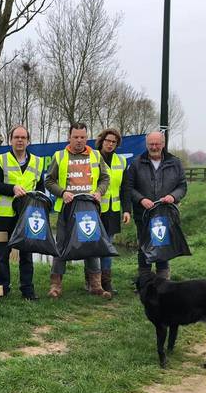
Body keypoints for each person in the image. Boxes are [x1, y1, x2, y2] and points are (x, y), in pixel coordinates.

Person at [45, 121, 111, 299]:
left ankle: (95, 285)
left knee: (92, 245)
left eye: (82, 137)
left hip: (89, 209)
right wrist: (62, 192)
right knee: (61, 246)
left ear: (87, 138)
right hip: (67, 209)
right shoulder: (60, 156)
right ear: (69, 137)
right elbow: (49, 181)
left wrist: (99, 192)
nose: (79, 140)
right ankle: (55, 285)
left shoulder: (96, 156)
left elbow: (105, 178)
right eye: (75, 137)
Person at [125, 130, 187, 279]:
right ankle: (144, 280)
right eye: (151, 144)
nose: (154, 147)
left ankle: (163, 279)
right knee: (143, 246)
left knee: (162, 244)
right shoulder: (136, 163)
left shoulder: (175, 163)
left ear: (163, 144)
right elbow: (128, 188)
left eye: (157, 144)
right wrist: (141, 199)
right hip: (144, 214)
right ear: (146, 145)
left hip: (165, 212)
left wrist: (173, 196)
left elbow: (182, 186)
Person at [0, 125, 43, 300]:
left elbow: (41, 188)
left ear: (28, 141)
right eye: (16, 137)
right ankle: (2, 289)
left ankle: (28, 291)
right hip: (5, 215)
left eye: (23, 137)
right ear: (10, 140)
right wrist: (12, 188)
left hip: (27, 215)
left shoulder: (38, 161)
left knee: (27, 254)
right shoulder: (0, 159)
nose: (20, 140)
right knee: (2, 255)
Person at [95, 128, 132, 294]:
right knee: (93, 246)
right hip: (95, 210)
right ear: (102, 141)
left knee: (108, 246)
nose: (110, 144)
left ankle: (106, 282)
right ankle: (93, 282)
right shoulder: (92, 158)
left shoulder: (121, 161)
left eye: (113, 142)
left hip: (113, 210)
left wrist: (127, 210)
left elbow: (125, 188)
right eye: (107, 141)